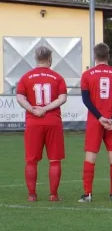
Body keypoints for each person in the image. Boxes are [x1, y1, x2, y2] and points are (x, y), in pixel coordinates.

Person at [16, 46, 67, 202]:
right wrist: (45, 109)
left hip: (33, 122)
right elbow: (62, 98)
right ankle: (53, 194)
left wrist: (33, 109)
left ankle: (32, 194)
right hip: (53, 121)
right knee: (54, 160)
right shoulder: (57, 77)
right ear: (50, 59)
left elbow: (19, 97)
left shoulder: (26, 77)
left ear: (36, 59)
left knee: (31, 160)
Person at [78, 43, 112, 203]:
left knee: (91, 155)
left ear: (95, 56)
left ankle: (88, 194)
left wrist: (99, 117)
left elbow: (86, 100)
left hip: (95, 120)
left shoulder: (87, 75)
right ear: (108, 55)